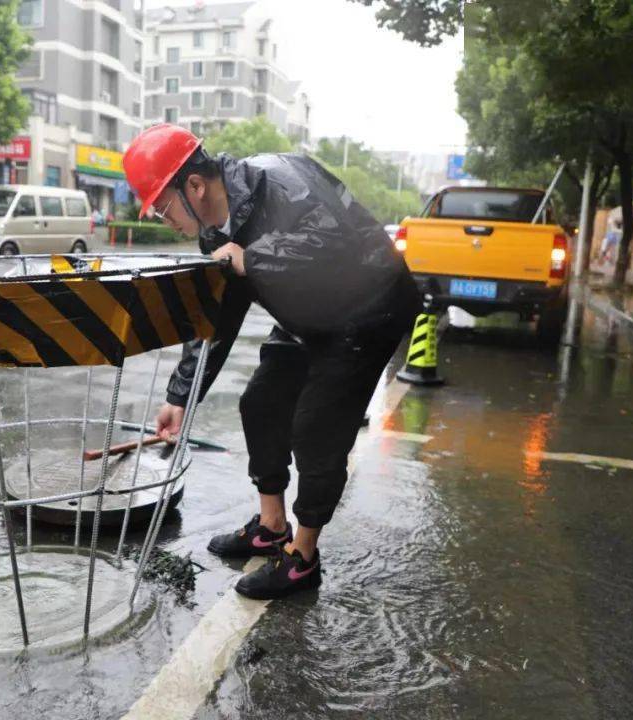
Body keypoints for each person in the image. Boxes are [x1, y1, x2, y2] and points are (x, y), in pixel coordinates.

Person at [123, 125, 421, 600]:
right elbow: (216, 320)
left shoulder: (283, 181)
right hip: (305, 313)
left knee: (316, 426)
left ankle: (303, 557)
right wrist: (181, 397)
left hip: (366, 310)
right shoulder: (214, 233)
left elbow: (338, 249)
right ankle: (272, 525)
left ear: (194, 186)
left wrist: (253, 257)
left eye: (163, 205)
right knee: (260, 402)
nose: (164, 218)